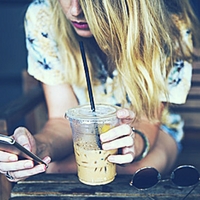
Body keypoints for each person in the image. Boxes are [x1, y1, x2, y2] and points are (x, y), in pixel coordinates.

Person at [0, 0, 200, 182]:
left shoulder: (170, 26)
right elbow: (61, 122)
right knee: (52, 167)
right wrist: (36, 149)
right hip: (82, 135)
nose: (76, 10)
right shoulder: (44, 17)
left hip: (152, 130)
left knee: (137, 170)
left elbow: (149, 120)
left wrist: (132, 144)